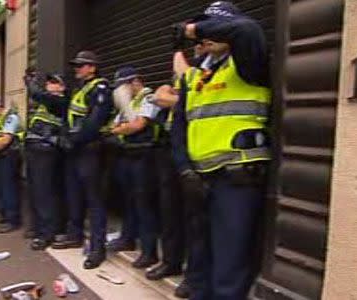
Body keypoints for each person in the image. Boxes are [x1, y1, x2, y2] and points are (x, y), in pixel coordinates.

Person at [171, 2, 271, 299]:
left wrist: (193, 28)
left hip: (236, 178)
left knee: (230, 263)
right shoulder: (195, 76)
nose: (207, 34)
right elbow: (179, 128)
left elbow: (248, 29)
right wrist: (184, 169)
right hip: (199, 179)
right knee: (200, 259)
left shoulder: (248, 61)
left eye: (215, 25)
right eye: (205, 26)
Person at [32, 51, 114, 269]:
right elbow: (68, 115)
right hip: (76, 151)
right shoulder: (80, 89)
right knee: (74, 194)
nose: (76, 68)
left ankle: (97, 249)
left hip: (90, 150)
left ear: (92, 68)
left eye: (81, 65)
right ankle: (74, 235)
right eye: (76, 65)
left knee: (94, 201)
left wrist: (73, 140)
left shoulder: (101, 88)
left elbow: (94, 122)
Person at [146, 43, 208, 299]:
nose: (197, 47)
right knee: (169, 211)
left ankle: (194, 276)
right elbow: (159, 98)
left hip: (197, 151)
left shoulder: (211, 72)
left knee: (196, 220)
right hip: (170, 148)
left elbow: (189, 100)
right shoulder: (190, 74)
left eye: (201, 42)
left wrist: (173, 98)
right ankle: (170, 261)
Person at [108, 67, 162, 269]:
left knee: (144, 204)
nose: (120, 91)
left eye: (123, 85)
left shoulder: (149, 98)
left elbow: (138, 125)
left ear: (135, 82)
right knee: (129, 201)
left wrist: (120, 129)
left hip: (144, 156)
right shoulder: (129, 104)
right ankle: (127, 238)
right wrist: (121, 128)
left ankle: (149, 253)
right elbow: (115, 126)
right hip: (128, 155)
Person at [24, 73, 67, 250]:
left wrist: (31, 82)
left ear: (62, 87)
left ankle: (46, 234)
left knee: (44, 193)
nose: (50, 84)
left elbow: (37, 93)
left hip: (46, 150)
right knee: (35, 191)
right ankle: (38, 228)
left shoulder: (60, 101)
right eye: (49, 81)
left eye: (55, 82)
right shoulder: (46, 101)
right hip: (35, 149)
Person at [0, 102, 23, 234]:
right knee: (1, 186)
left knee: (9, 188)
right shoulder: (1, 119)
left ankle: (12, 220)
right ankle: (3, 214)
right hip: (0, 155)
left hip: (9, 156)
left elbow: (5, 140)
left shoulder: (11, 118)